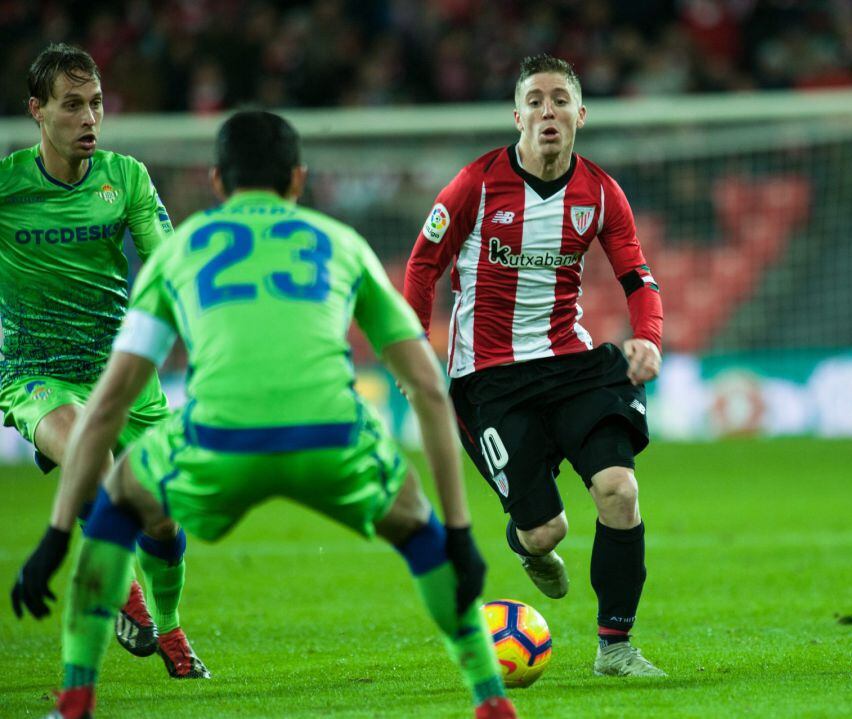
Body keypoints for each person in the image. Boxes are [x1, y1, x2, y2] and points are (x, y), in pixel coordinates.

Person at [15, 110, 517, 719]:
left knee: (119, 504)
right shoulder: (341, 243)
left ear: (217, 181)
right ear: (298, 179)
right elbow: (429, 390)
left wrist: (55, 537)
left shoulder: (182, 252)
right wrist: (459, 534)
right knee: (420, 531)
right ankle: (490, 700)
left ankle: (74, 701)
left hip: (218, 440)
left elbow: (108, 405)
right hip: (331, 439)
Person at [404, 54, 666, 677]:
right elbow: (421, 268)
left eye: (560, 99)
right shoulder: (474, 184)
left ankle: (616, 649)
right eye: (536, 100)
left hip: (572, 365)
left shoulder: (601, 192)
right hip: (489, 380)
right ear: (517, 114)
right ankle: (527, 540)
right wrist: (413, 347)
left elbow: (639, 277)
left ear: (581, 113)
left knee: (619, 491)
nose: (548, 111)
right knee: (546, 531)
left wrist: (649, 337)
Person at [3, 43, 207, 678]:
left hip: (120, 372)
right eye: (72, 106)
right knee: (95, 456)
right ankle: (129, 596)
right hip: (37, 373)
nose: (89, 117)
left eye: (95, 104)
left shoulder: (128, 179)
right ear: (37, 111)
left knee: (164, 521)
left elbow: (168, 264)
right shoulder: (9, 187)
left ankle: (169, 629)